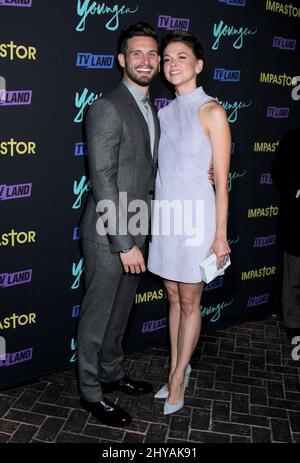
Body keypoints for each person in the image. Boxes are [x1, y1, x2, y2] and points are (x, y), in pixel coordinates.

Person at [77, 22, 161, 427]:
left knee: (120, 312)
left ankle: (112, 373)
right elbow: (103, 179)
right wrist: (124, 242)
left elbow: (145, 168)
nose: (145, 60)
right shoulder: (107, 106)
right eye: (137, 53)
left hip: (137, 227)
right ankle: (91, 392)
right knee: (98, 314)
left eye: (152, 54)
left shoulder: (149, 108)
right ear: (121, 59)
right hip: (110, 232)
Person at [148, 31, 231, 415]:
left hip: (198, 218)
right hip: (167, 217)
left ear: (198, 65)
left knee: (190, 299)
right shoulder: (163, 113)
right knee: (172, 297)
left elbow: (222, 183)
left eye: (181, 56)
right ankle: (179, 364)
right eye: (166, 58)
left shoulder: (213, 111)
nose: (172, 63)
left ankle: (178, 377)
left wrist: (220, 236)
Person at [271, 127, 300, 343]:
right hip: (297, 221)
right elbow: (277, 171)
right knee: (294, 276)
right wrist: (297, 189)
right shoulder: (293, 138)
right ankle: (293, 323)